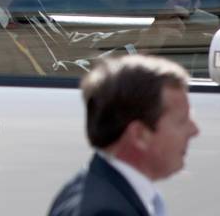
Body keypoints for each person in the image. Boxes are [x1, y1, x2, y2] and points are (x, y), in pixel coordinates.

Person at [47, 55, 199, 216]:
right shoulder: (106, 211)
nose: (194, 130)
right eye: (181, 121)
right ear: (140, 135)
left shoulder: (91, 187)